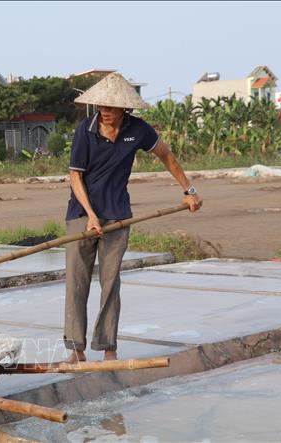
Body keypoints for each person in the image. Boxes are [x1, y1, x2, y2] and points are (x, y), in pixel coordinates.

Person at [64, 73, 202, 363]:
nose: (105, 111)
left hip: (117, 216)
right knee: (77, 283)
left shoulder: (137, 130)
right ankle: (76, 350)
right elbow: (75, 176)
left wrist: (189, 190)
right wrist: (90, 216)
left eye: (111, 107)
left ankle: (109, 348)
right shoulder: (84, 130)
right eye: (101, 106)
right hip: (81, 215)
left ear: (125, 109)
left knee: (111, 283)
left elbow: (167, 156)